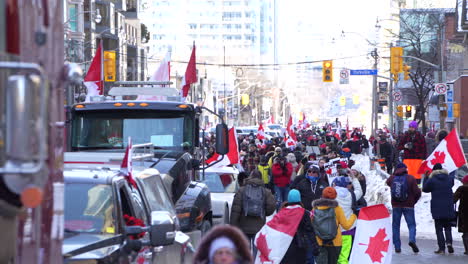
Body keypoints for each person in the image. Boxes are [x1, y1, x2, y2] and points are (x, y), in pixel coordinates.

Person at [230, 170, 276, 256]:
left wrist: (233, 227)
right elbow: (271, 207)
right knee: (257, 252)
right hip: (259, 226)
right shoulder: (266, 191)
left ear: (250, 177)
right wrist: (263, 212)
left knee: (244, 252)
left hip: (244, 226)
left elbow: (235, 210)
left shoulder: (242, 190)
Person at [312, 187, 357, 264]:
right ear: (335, 196)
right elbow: (346, 226)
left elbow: (312, 226)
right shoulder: (337, 209)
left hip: (320, 242)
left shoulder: (315, 209)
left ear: (322, 195)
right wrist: (353, 216)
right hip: (335, 242)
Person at [386, 162, 421, 253]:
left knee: (396, 226)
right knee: (411, 225)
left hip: (396, 206)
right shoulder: (411, 178)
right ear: (405, 169)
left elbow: (388, 181)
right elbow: (417, 192)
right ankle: (412, 240)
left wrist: (394, 175)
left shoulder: (392, 178)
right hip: (409, 205)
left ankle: (397, 247)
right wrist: (413, 201)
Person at [422, 163, 455, 254]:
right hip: (448, 206)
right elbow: (452, 181)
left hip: (437, 207)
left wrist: (426, 177)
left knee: (439, 229)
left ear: (433, 171)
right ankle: (449, 243)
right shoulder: (449, 179)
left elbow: (425, 189)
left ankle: (441, 249)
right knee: (448, 227)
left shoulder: (432, 180)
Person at [280, 190, 320, 264]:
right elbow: (310, 231)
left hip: (285, 246)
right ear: (299, 199)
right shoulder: (304, 213)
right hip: (301, 245)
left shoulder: (282, 212)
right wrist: (315, 247)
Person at [332, 176, 363, 264]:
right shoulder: (351, 195)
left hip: (335, 231)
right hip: (348, 230)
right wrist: (354, 178)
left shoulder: (332, 195)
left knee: (334, 255)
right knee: (344, 255)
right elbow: (359, 191)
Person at [454, 175, 468, 255]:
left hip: (464, 213)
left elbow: (454, 199)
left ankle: (467, 250)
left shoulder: (461, 189)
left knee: (466, 232)